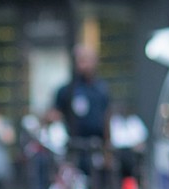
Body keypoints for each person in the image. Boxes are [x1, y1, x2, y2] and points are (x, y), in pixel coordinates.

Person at [53, 44, 111, 175]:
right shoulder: (68, 90)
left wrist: (108, 150)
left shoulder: (101, 89)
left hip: (96, 146)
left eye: (86, 60)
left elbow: (107, 118)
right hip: (74, 148)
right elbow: (55, 113)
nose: (83, 65)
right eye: (80, 60)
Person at [108, 103, 148, 179]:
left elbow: (142, 141)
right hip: (119, 155)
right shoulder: (115, 122)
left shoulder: (135, 121)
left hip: (133, 156)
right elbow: (112, 142)